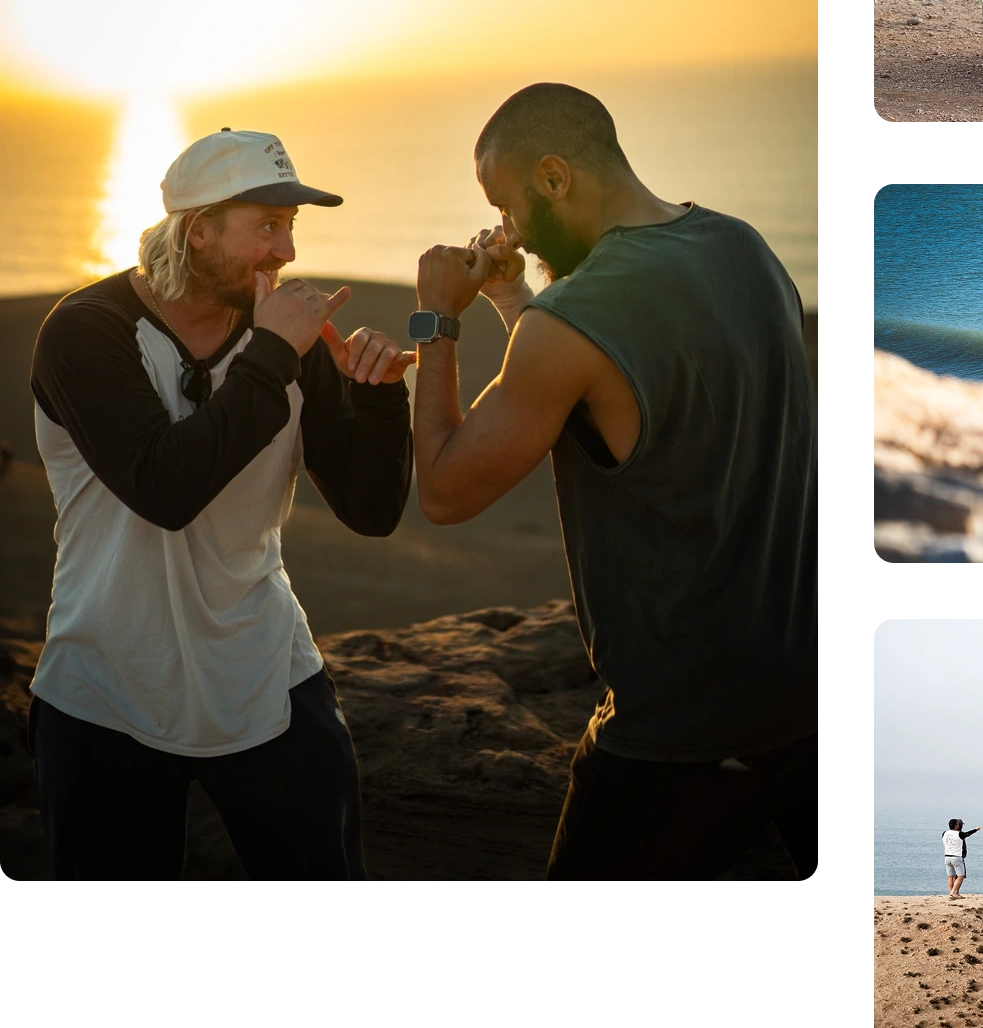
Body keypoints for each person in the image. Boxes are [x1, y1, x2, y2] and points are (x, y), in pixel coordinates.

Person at [410, 83, 820, 885]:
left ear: (555, 176)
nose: (510, 231)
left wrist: (438, 317)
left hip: (676, 735)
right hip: (807, 702)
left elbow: (445, 490)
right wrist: (509, 297)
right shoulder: (746, 249)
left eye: (510, 204)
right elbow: (613, 377)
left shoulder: (571, 320)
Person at [26, 129, 414, 884]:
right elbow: (164, 488)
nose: (286, 253)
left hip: (266, 679)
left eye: (292, 226)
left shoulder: (294, 342)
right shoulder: (85, 332)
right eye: (266, 226)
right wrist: (271, 356)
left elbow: (372, 510)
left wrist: (378, 393)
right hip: (106, 689)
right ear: (197, 230)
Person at [942, 818, 982, 898]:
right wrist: (976, 829)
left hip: (947, 857)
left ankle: (952, 893)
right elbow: (967, 833)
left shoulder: (944, 833)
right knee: (960, 876)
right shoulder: (959, 834)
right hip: (956, 857)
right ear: (956, 825)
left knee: (950, 876)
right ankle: (953, 893)